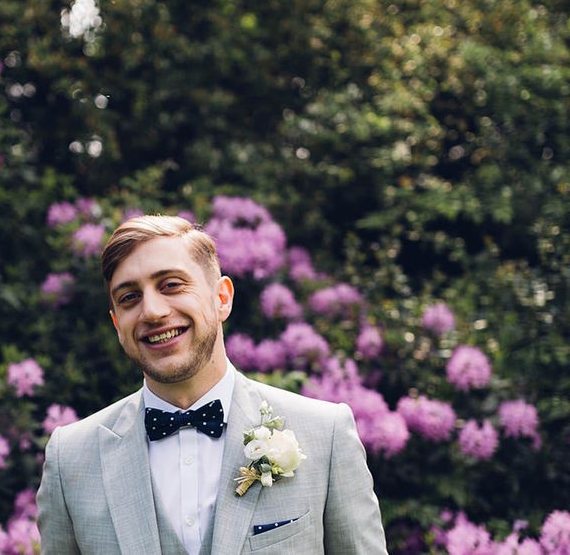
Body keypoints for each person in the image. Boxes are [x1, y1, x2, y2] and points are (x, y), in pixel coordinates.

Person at [37, 215, 388, 554]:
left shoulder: (324, 434)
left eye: (171, 285)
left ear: (222, 298)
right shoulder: (70, 460)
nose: (153, 311)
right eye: (130, 297)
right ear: (117, 323)